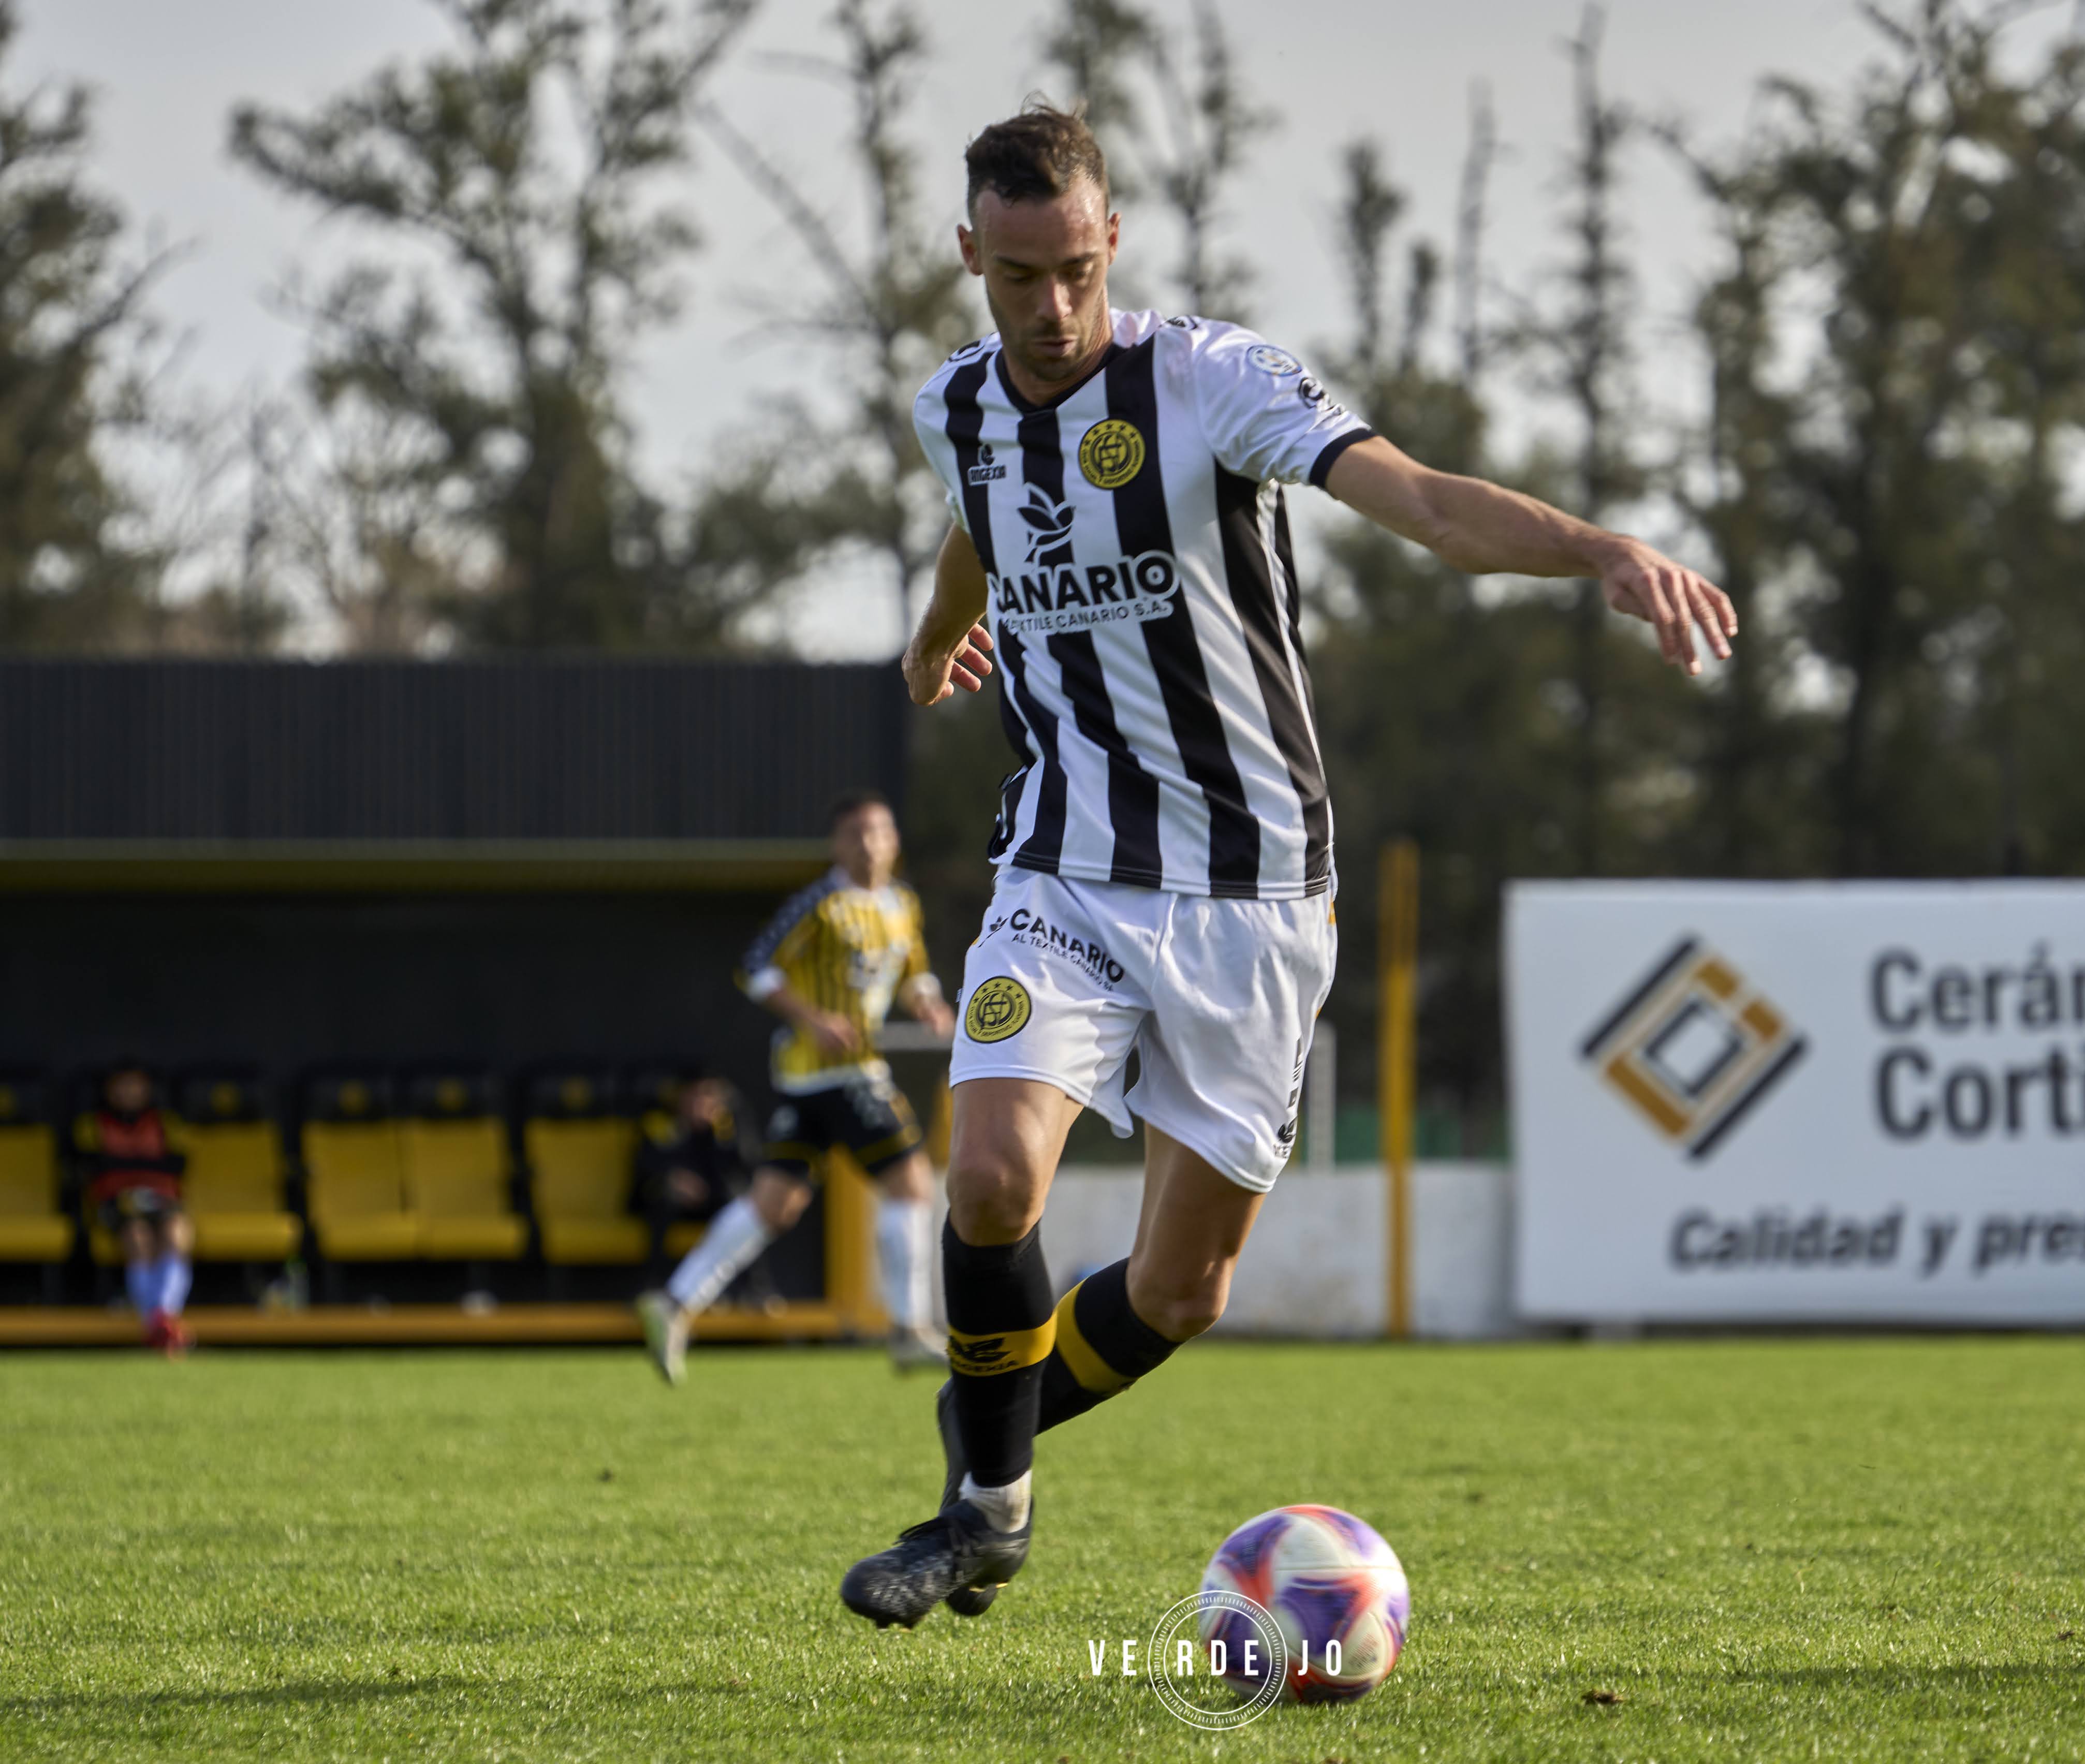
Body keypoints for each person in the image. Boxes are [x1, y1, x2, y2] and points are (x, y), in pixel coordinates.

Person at [837, 103, 1737, 1628]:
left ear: (1110, 238)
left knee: (1181, 1291)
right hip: (1059, 864)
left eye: (1072, 271)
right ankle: (983, 1509)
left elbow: (1433, 509)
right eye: (1014, 278)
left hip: (1252, 895)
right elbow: (977, 517)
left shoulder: (1212, 381)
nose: (1048, 309)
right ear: (967, 256)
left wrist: (1598, 551)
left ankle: (983, 1442)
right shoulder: (956, 406)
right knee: (988, 1177)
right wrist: (935, 639)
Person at [638, 792, 957, 1383]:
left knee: (775, 1204)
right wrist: (812, 1018)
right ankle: (909, 1328)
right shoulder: (820, 905)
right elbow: (756, 968)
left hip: (810, 1083)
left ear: (893, 841)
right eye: (856, 834)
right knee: (910, 1181)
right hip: (839, 1070)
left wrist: (930, 1004)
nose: (869, 843)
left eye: (879, 832)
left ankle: (675, 1303)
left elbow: (912, 973)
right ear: (837, 845)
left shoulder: (900, 905)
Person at [74, 1062, 193, 1356]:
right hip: (115, 1202)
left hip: (160, 1199)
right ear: (109, 1090)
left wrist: (128, 1166)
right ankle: (159, 1322)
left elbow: (178, 1163)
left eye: (135, 1085)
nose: (129, 1092)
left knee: (177, 1233)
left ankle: (161, 1317)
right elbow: (90, 1165)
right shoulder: (92, 1125)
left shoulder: (167, 1123)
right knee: (138, 1237)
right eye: (122, 1086)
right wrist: (140, 1168)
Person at [632, 1075, 753, 1268]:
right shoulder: (664, 1124)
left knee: (738, 1209)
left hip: (709, 1201)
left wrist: (721, 1131)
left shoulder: (724, 1130)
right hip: (672, 1201)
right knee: (661, 1202)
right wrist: (673, 1180)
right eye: (694, 1095)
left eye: (707, 1096)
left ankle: (751, 1286)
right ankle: (657, 1281)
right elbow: (645, 1165)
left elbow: (744, 1166)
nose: (699, 1103)